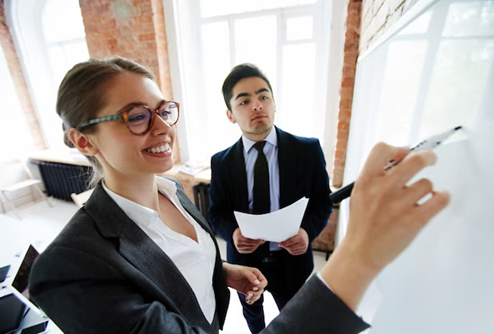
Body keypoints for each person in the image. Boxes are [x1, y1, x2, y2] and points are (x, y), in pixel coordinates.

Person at [29, 56, 450, 334]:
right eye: (136, 116)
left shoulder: (173, 190)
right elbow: (219, 216)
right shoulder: (68, 271)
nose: (162, 128)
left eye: (163, 110)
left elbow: (172, 263)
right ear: (84, 141)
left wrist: (221, 270)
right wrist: (359, 256)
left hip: (284, 266)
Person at [208, 64, 333, 333]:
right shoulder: (221, 162)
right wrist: (233, 233)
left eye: (263, 97)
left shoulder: (307, 150)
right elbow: (216, 213)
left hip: (294, 260)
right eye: (244, 101)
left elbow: (323, 202)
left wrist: (307, 233)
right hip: (246, 263)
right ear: (230, 115)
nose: (256, 105)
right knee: (253, 315)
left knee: (298, 319)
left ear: (274, 104)